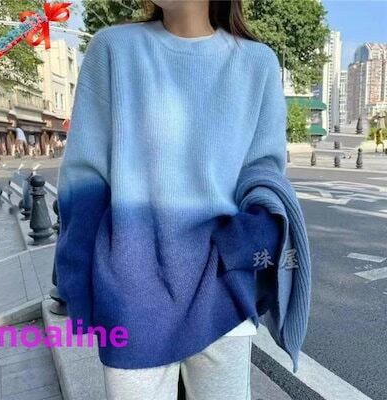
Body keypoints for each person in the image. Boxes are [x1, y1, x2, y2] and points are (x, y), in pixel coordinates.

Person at [54, 1, 311, 399]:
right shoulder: (113, 49)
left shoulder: (257, 63)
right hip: (132, 294)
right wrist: (76, 284)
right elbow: (85, 180)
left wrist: (240, 247)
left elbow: (263, 173)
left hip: (222, 291)